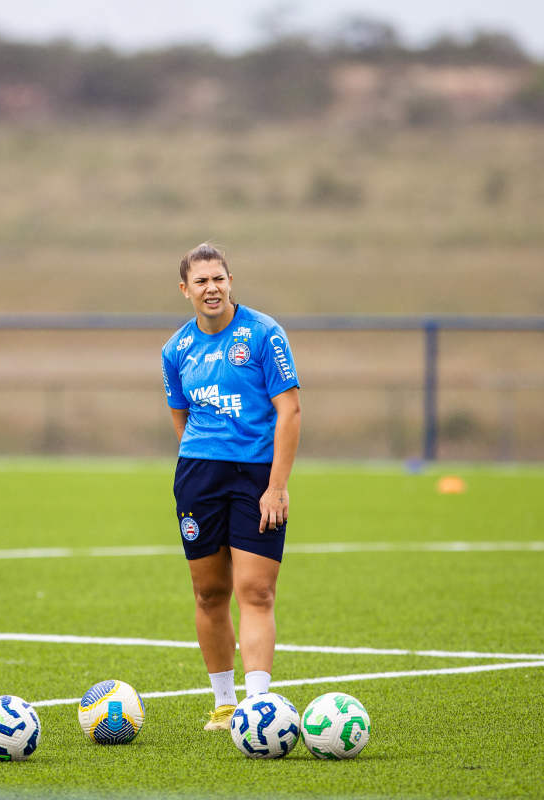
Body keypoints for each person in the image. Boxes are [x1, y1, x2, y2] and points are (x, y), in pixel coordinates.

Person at [160, 243, 301, 731]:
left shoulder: (265, 334)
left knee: (256, 590)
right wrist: (199, 467)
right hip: (200, 475)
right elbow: (182, 418)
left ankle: (258, 707)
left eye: (218, 278)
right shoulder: (174, 349)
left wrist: (277, 487)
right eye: (200, 281)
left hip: (257, 476)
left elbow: (290, 410)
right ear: (185, 290)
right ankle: (223, 704)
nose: (211, 288)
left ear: (230, 281)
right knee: (209, 593)